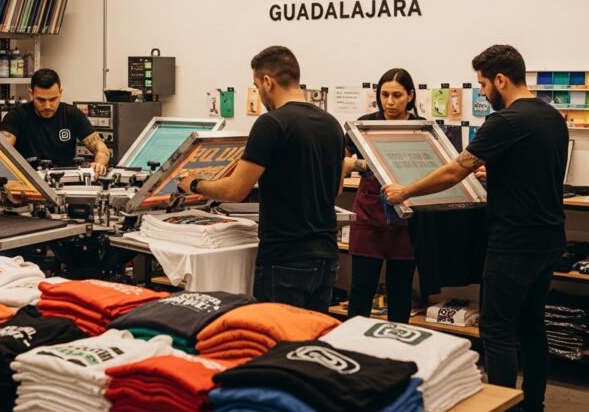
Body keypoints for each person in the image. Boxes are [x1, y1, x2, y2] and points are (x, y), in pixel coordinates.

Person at [383, 45, 568, 412]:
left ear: (500, 79)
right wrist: (495, 172)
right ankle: (533, 404)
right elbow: (530, 170)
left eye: (483, 84)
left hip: (514, 242)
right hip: (549, 239)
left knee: (497, 330)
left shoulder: (505, 121)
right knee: (531, 326)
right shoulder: (551, 116)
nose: (482, 92)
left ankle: (500, 406)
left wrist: (407, 190)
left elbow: (455, 170)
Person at [177, 46, 345, 312]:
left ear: (267, 81)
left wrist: (194, 183)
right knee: (311, 335)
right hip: (326, 257)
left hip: (285, 259)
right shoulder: (332, 124)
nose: (259, 93)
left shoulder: (271, 123)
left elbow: (235, 191)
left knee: (274, 336)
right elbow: (336, 189)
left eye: (256, 86)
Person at [343, 68, 422, 324]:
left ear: (410, 95)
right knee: (361, 288)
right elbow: (342, 161)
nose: (389, 102)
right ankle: (353, 342)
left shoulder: (421, 128)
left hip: (406, 216)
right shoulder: (365, 124)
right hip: (368, 213)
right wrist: (359, 165)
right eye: (384, 94)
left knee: (400, 290)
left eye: (397, 95)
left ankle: (398, 343)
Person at [0, 68, 110, 175]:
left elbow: (100, 148)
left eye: (53, 99)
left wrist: (99, 164)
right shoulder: (16, 116)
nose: (47, 106)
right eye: (41, 100)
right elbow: (0, 151)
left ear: (60, 93)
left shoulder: (72, 114)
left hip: (66, 182)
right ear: (31, 94)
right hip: (28, 182)